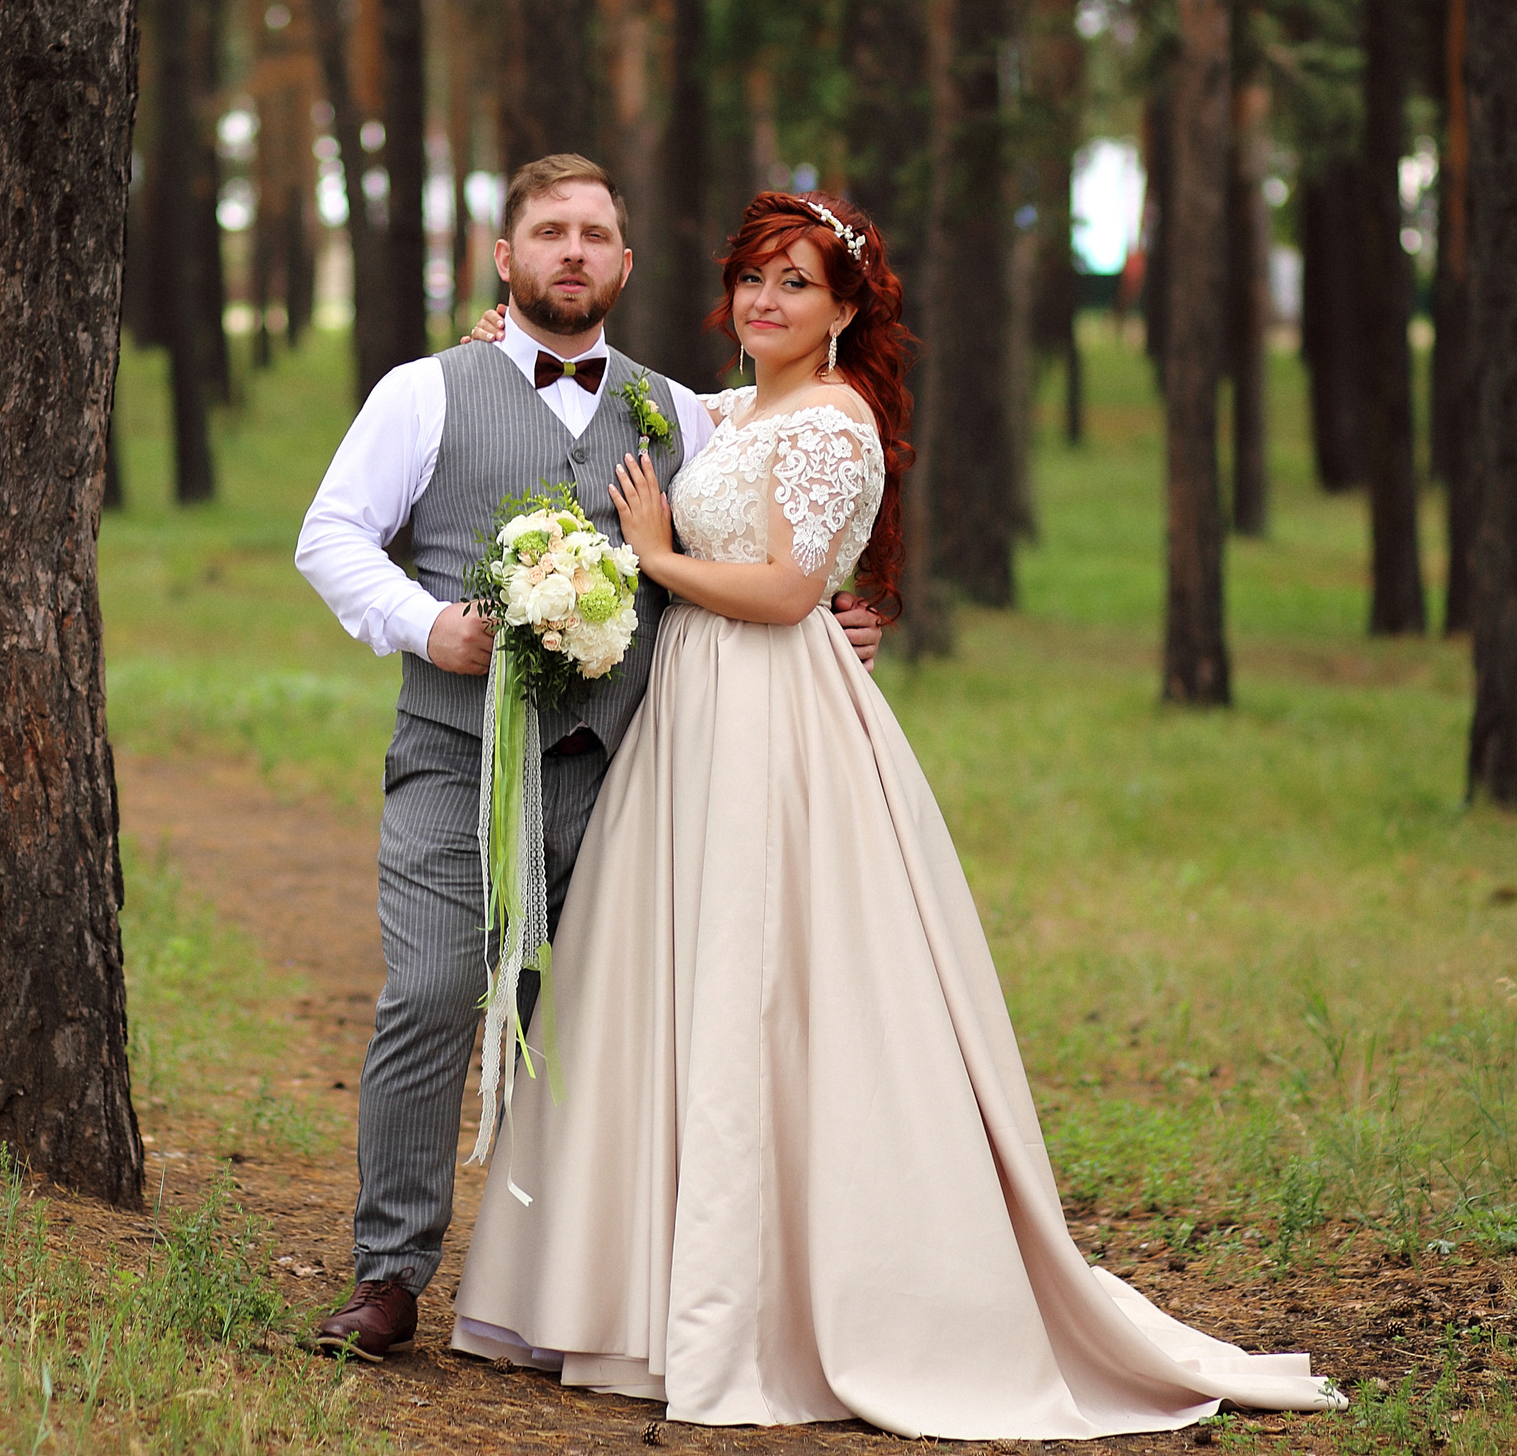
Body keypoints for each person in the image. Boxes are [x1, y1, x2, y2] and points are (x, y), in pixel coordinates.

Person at [443, 192, 1346, 1438]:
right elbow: (618, 392)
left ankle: (772, 1304)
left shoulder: (831, 421)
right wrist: (504, 334)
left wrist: (652, 557)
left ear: (846, 307)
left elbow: (783, 589)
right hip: (693, 720)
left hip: (769, 719)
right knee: (673, 984)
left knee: (769, 984)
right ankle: (636, 1297)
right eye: (752, 279)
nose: (765, 302)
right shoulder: (732, 406)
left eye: (796, 285)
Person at [292, 156, 888, 1362]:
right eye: (548, 232)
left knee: (607, 1025)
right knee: (434, 992)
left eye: (596, 234)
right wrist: (425, 624)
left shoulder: (685, 410)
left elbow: (771, 523)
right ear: (505, 260)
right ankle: (391, 1273)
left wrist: (835, 617)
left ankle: (572, 1289)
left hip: (633, 778)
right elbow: (330, 534)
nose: (574, 250)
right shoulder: (425, 390)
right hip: (457, 762)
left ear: (623, 266)